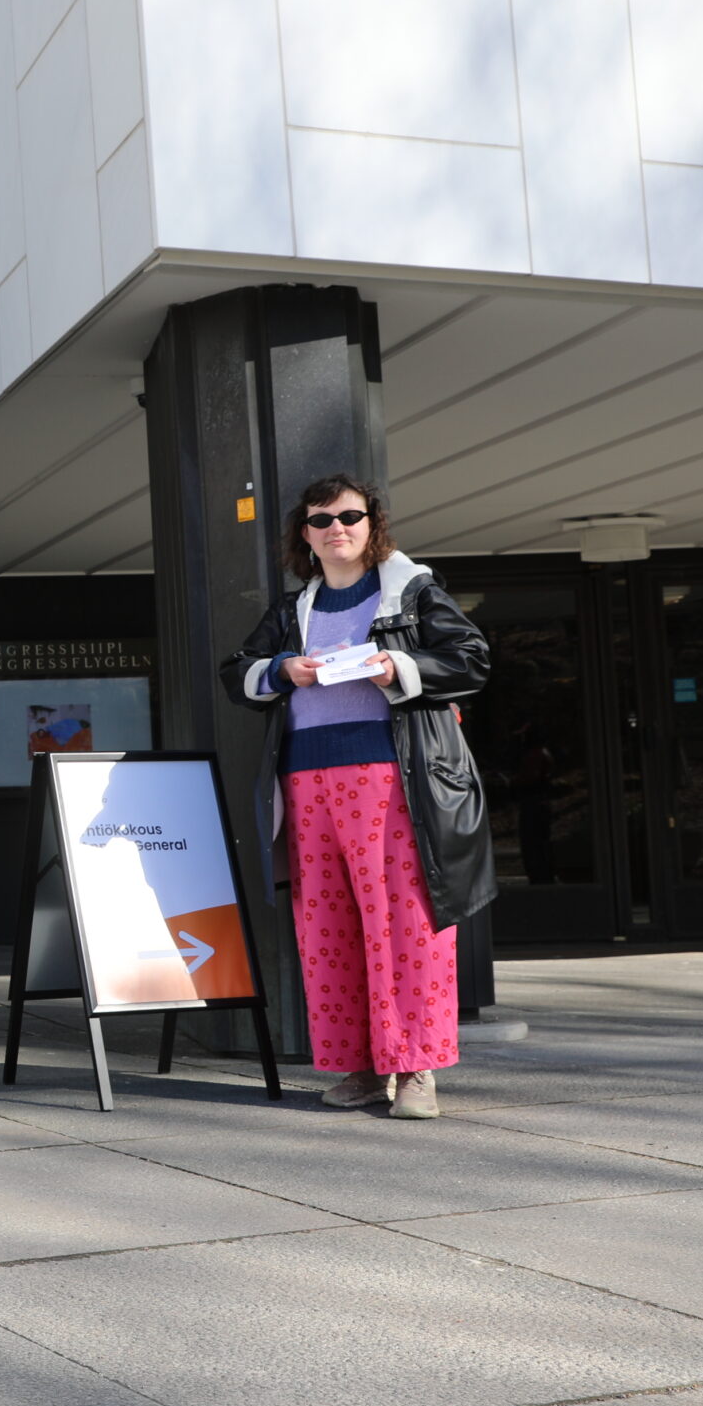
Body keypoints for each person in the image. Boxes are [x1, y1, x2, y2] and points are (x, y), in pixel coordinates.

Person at [222, 475, 492, 1120]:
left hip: (391, 776)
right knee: (328, 927)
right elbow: (238, 672)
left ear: (373, 524)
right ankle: (362, 1067)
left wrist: (396, 666)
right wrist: (283, 669)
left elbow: (472, 659)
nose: (336, 528)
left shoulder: (413, 591)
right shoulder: (295, 609)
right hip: (307, 782)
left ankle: (417, 1066)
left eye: (350, 516)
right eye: (321, 521)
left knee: (404, 922)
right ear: (304, 536)